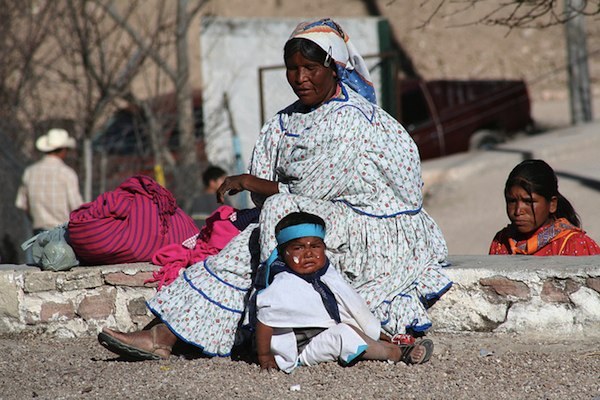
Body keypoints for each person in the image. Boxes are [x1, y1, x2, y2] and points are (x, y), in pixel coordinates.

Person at [98, 17, 451, 362]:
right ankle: (165, 334)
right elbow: (268, 196)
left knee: (275, 219)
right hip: (312, 215)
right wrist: (262, 189)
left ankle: (265, 318)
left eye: (311, 68)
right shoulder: (283, 121)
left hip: (367, 223)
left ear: (333, 68)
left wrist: (252, 181)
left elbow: (310, 194)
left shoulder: (351, 120)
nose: (300, 78)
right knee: (249, 242)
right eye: (292, 69)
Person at [255, 212, 433, 373]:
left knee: (353, 323)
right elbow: (265, 321)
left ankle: (385, 341)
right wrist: (265, 357)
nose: (308, 254)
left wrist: (374, 331)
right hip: (303, 348)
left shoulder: (326, 274)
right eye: (298, 248)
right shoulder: (282, 285)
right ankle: (395, 353)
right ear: (283, 253)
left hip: (329, 330)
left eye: (315, 246)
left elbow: (348, 306)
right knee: (343, 334)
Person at [489, 159, 600, 256]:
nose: (518, 211)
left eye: (528, 202)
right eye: (512, 201)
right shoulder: (501, 242)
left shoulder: (573, 245)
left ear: (552, 204)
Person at [15, 128, 84, 235]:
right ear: (63, 150)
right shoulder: (67, 173)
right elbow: (76, 207)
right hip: (62, 233)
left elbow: (24, 204)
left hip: (38, 232)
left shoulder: (30, 172)